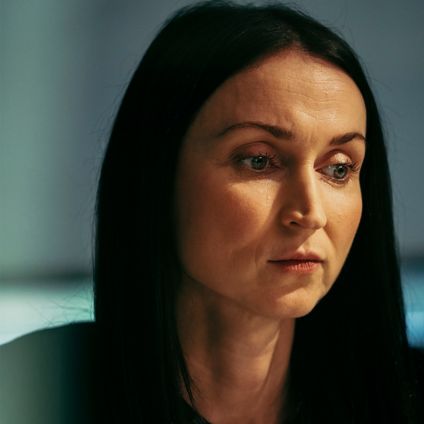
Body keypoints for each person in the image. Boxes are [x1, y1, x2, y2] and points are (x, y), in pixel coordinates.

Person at [0, 1, 422, 423]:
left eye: (338, 168)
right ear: (158, 174)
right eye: (259, 161)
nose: (310, 213)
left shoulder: (408, 393)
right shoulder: (31, 391)